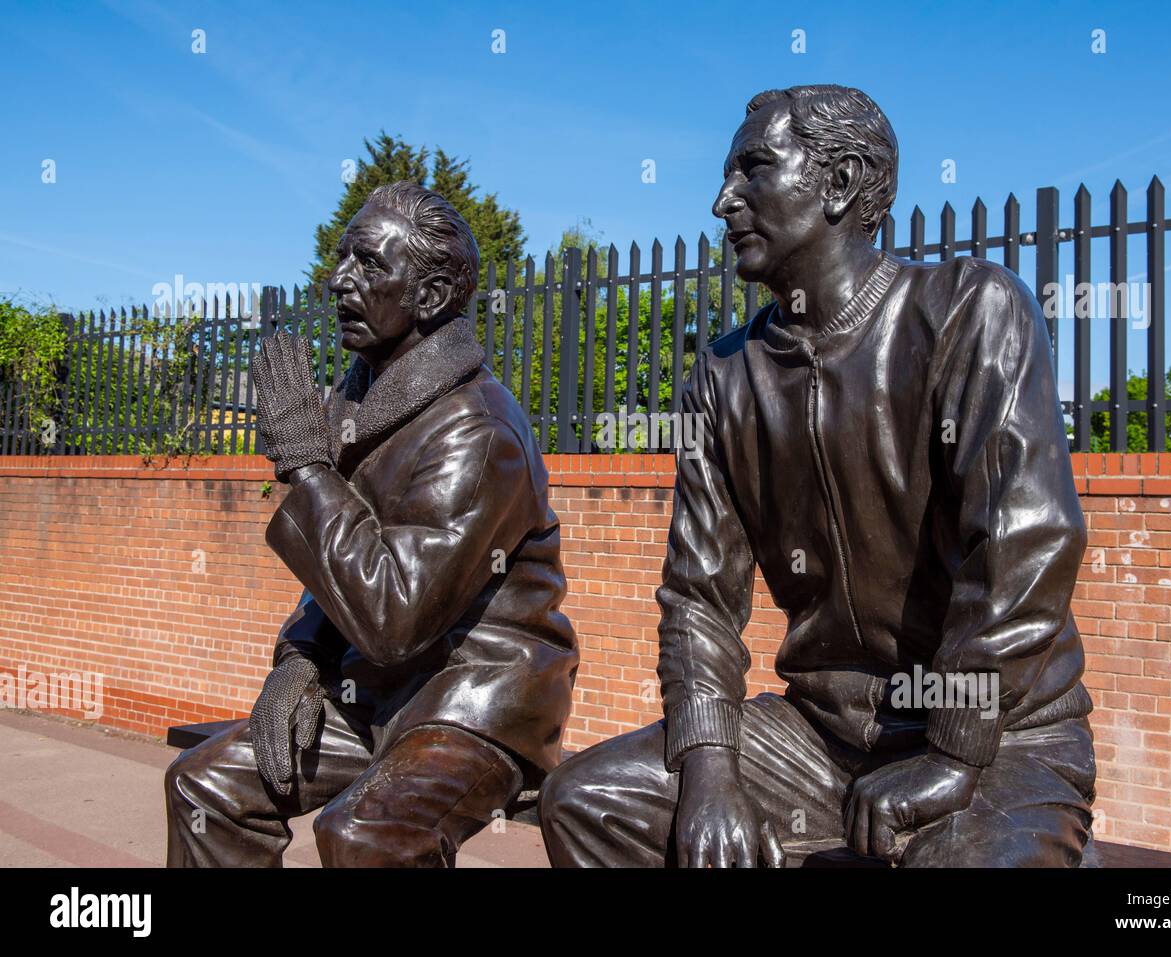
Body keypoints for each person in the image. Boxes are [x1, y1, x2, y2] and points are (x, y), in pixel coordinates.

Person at [539, 85, 1095, 868]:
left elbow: (1024, 541)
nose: (722, 200)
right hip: (821, 741)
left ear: (839, 183)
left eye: (753, 170)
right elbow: (700, 597)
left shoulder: (970, 311)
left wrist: (952, 753)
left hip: (1003, 738)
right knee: (588, 801)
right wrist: (709, 766)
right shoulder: (724, 377)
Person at [165, 182, 578, 867]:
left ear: (433, 298)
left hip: (476, 701)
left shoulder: (477, 430)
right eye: (341, 259)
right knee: (205, 784)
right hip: (378, 692)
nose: (339, 279)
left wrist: (306, 465)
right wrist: (301, 657)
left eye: (369, 264)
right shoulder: (368, 397)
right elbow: (345, 557)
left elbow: (391, 613)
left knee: (364, 832)